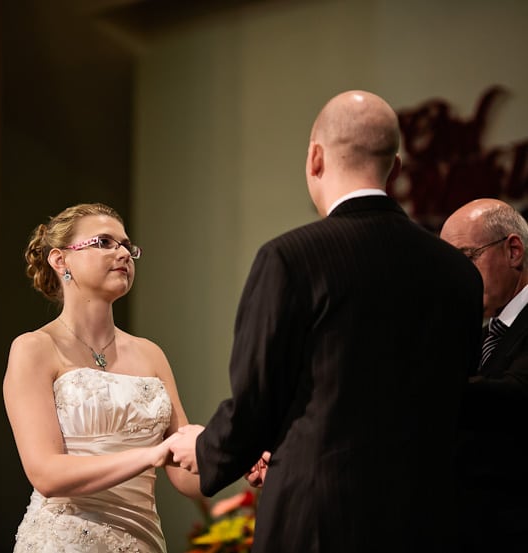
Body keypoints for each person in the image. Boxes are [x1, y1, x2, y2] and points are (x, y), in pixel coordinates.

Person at [169, 90, 483, 553]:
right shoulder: (457, 272)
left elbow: (258, 396)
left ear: (315, 158)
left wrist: (205, 449)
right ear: (394, 169)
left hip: (319, 520)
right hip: (428, 522)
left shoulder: (290, 259)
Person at [5, 202, 200, 552]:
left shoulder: (151, 354)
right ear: (60, 260)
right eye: (104, 243)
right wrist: (151, 454)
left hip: (143, 540)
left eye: (126, 245)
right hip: (63, 541)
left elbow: (185, 473)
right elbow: (46, 474)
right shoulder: (34, 348)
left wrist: (237, 458)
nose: (123, 253)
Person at [440, 198, 528, 552]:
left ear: (513, 250)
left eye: (465, 258)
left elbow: (515, 394)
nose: (455, 278)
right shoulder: (476, 337)